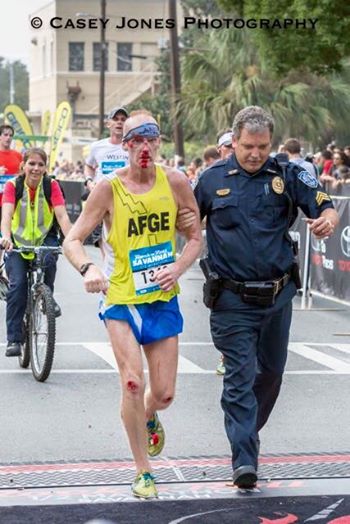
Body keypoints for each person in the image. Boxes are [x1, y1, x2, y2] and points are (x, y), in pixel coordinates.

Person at [193, 106, 338, 489]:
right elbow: (187, 225)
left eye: (262, 146)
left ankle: (245, 431)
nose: (255, 153)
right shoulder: (211, 181)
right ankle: (244, 460)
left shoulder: (287, 175)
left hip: (277, 297)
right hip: (231, 301)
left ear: (270, 143)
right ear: (233, 141)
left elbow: (324, 203)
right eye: (247, 146)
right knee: (239, 379)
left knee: (271, 372)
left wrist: (328, 218)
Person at [63, 110, 202, 499]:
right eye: (135, 140)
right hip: (121, 297)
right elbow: (72, 240)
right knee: (131, 380)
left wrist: (177, 267)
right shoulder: (109, 188)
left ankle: (149, 413)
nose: (144, 147)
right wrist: (89, 268)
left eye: (150, 139)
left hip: (161, 298)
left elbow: (194, 237)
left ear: (159, 143)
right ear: (124, 146)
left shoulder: (175, 182)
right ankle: (144, 471)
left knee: (163, 393)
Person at [0, 148, 72, 357]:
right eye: (31, 163)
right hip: (16, 241)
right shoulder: (14, 186)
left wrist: (71, 240)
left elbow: (62, 216)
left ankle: (45, 296)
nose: (36, 168)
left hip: (44, 237)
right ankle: (14, 339)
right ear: (23, 166)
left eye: (40, 165)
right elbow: (6, 216)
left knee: (50, 259)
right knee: (18, 285)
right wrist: (5, 238)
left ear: (45, 168)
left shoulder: (52, 186)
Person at [84, 107, 129, 253]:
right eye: (115, 119)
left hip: (125, 199)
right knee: (102, 239)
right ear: (108, 123)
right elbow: (89, 166)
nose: (119, 123)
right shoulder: (97, 146)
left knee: (123, 239)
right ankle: (106, 272)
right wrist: (89, 181)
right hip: (101, 198)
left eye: (123, 120)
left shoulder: (132, 146)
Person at [0, 125, 23, 271]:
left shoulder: (17, 156)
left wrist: (18, 176)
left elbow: (23, 174)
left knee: (9, 235)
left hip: (12, 202)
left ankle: (8, 268)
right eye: (5, 135)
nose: (8, 138)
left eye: (10, 135)